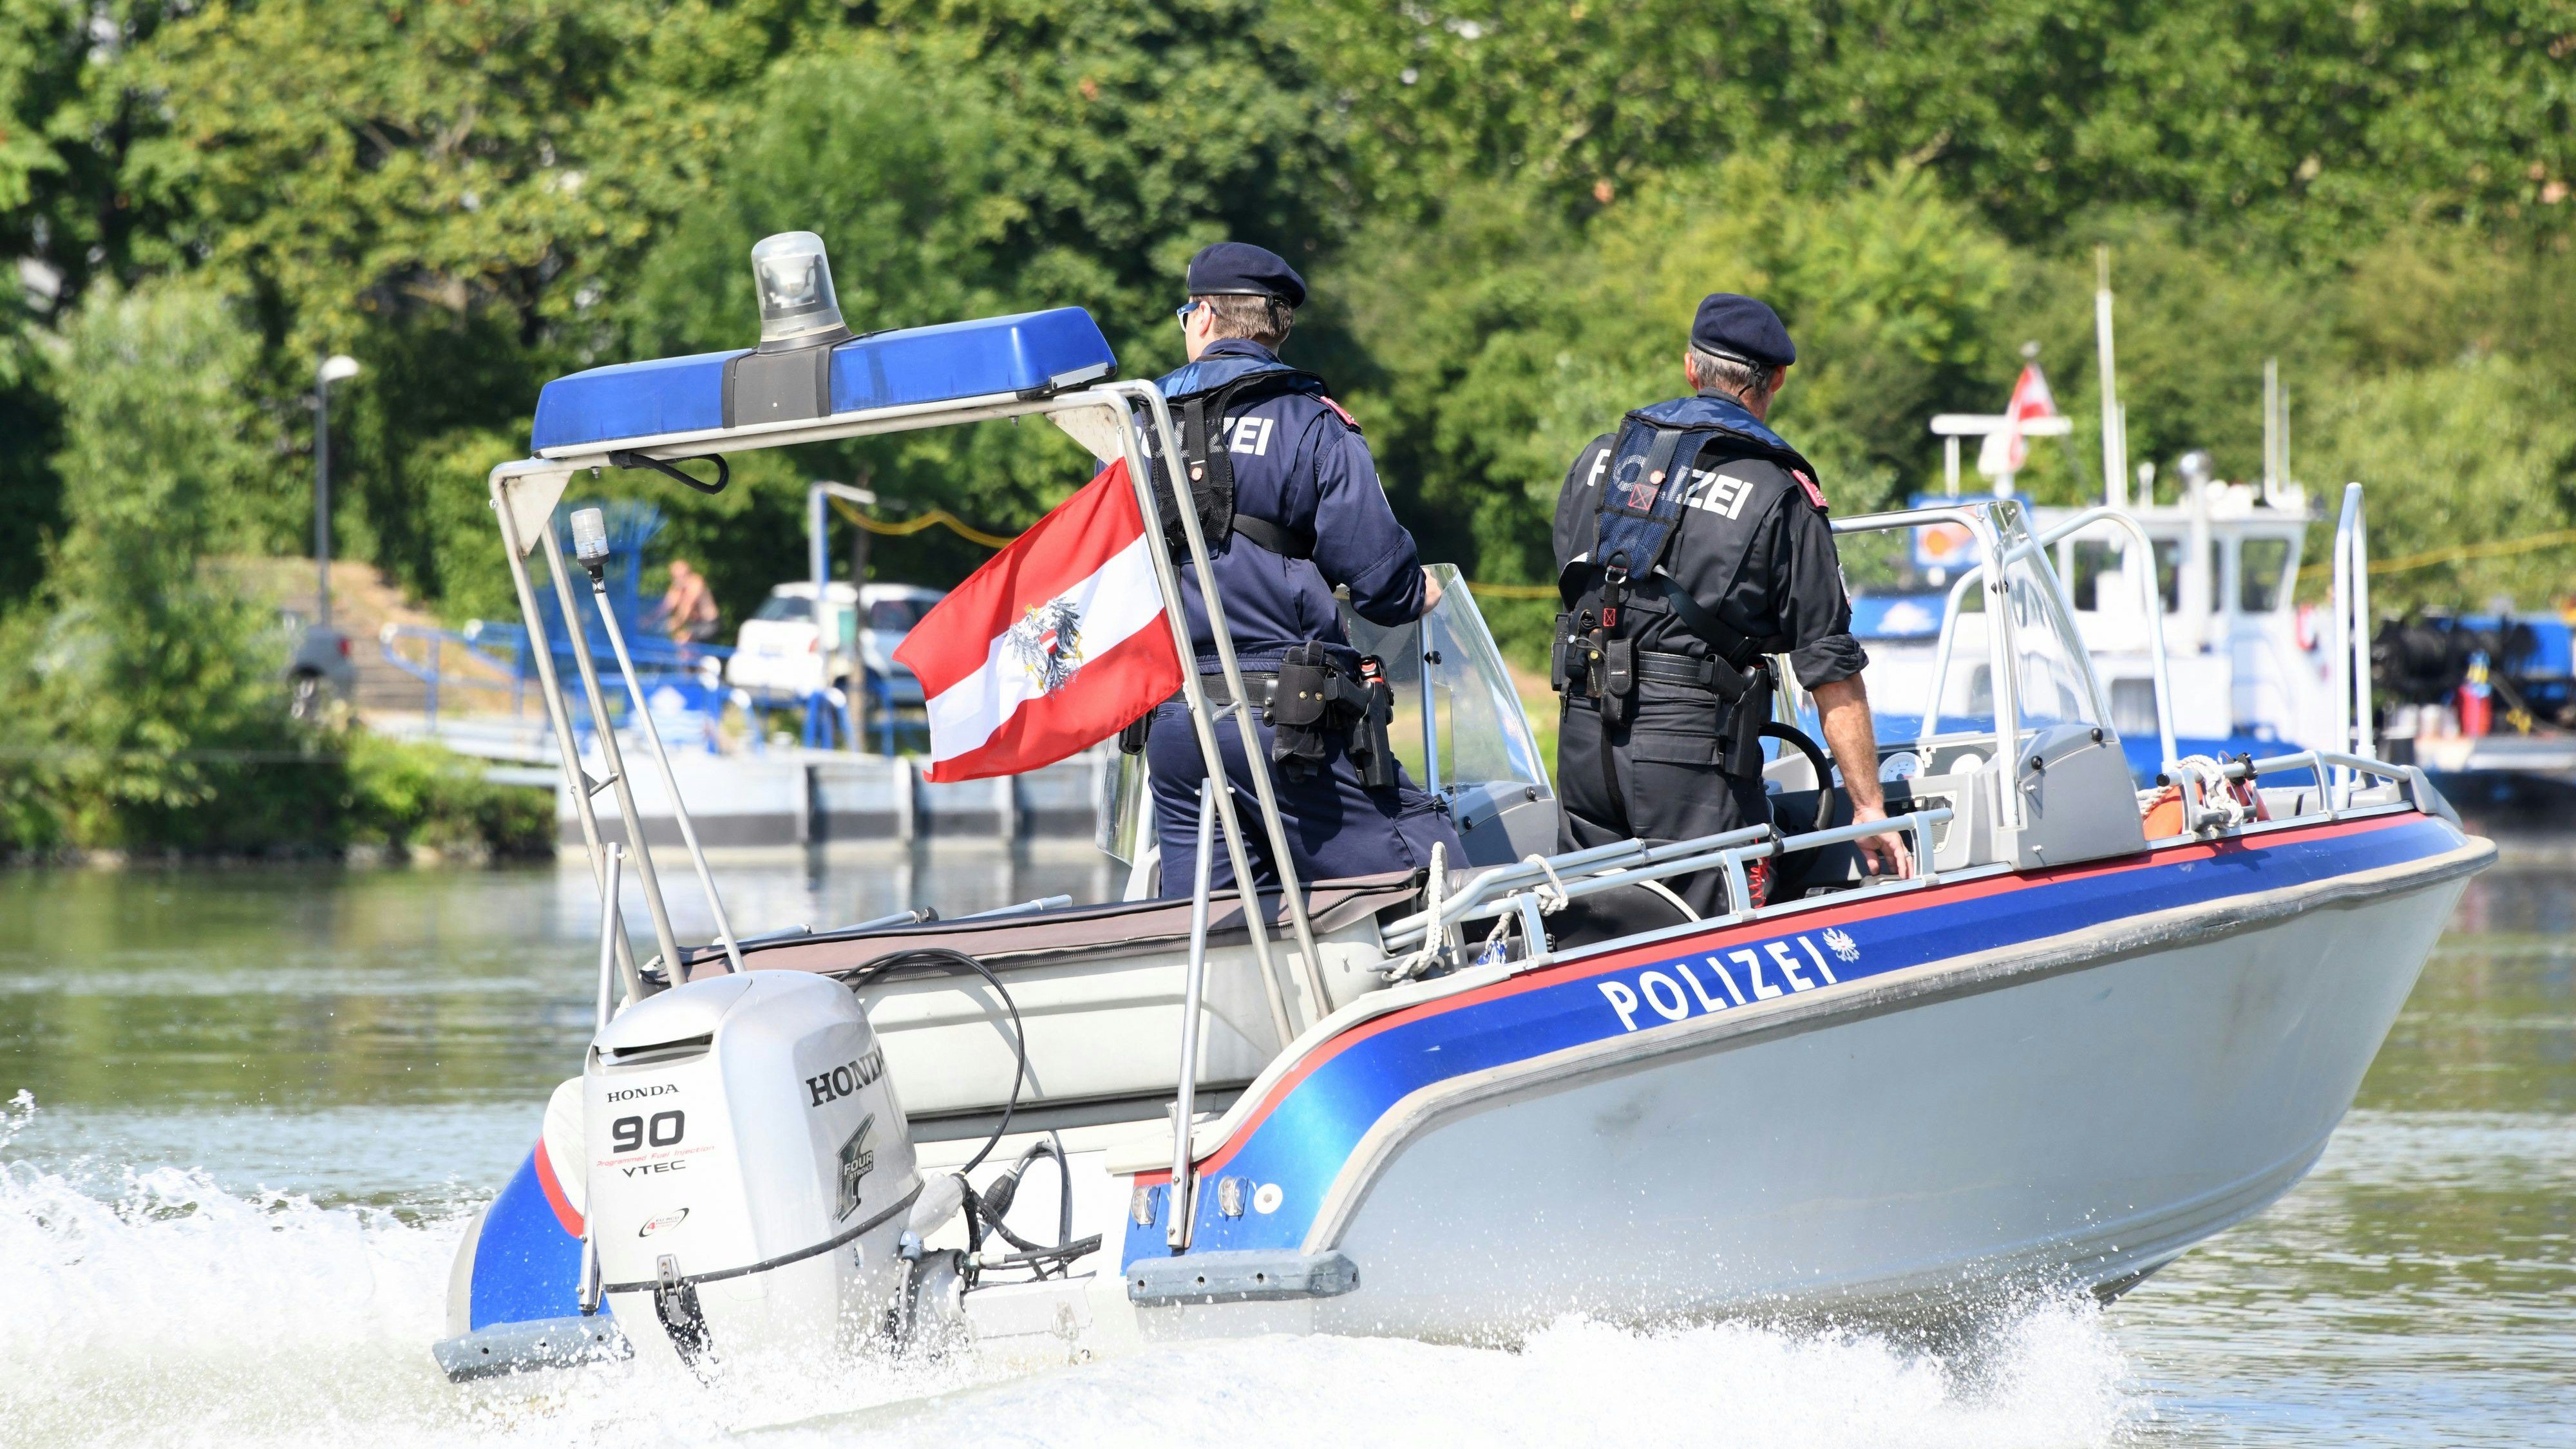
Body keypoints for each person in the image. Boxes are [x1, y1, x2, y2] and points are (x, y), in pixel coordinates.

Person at [1549, 292, 1912, 918]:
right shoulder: (1778, 493)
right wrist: (1868, 807)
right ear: (1774, 381)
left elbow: (1574, 579)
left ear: (1692, 369)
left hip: (1583, 739)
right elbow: (1827, 666)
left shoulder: (1599, 458)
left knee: (1590, 930)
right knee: (1712, 935)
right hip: (1691, 758)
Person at [1137, 241, 1463, 896]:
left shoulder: (1129, 427)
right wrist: (1415, 593)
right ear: (1277, 327)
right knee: (1440, 880)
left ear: (1201, 317)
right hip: (1288, 730)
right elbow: (1380, 581)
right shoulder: (1313, 424)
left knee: (1219, 934)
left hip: (1173, 726)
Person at [659, 559, 719, 645]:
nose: (678, 579)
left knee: (682, 640)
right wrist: (649, 621)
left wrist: (676, 623)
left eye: (681, 575)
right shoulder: (678, 587)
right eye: (675, 576)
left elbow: (688, 605)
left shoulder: (696, 583)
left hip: (709, 625)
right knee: (677, 639)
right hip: (695, 625)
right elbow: (666, 605)